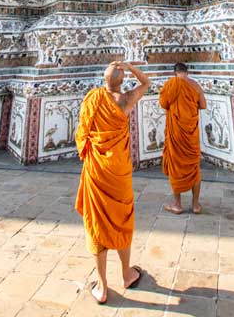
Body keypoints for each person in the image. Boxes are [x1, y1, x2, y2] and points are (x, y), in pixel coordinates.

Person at [75, 60, 151, 305]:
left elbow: (83, 132)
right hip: (118, 170)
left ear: (104, 80)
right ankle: (127, 273)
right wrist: (130, 67)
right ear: (121, 80)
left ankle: (102, 285)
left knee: (97, 223)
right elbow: (147, 83)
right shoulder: (126, 99)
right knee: (122, 218)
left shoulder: (93, 98)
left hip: (97, 169)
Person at [160, 61, 207, 214]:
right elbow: (203, 105)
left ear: (175, 73)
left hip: (176, 136)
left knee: (176, 167)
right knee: (194, 168)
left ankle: (177, 205)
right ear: (187, 72)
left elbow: (163, 103)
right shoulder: (195, 85)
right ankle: (195, 205)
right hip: (191, 134)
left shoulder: (170, 84)